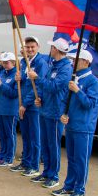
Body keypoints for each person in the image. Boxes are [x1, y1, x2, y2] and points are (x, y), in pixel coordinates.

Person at [52, 49, 98, 196]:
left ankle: (80, 190)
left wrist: (78, 91)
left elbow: (90, 104)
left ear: (86, 62)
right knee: (72, 158)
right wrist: (62, 114)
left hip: (84, 127)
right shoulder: (74, 79)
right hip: (72, 125)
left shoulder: (94, 82)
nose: (73, 63)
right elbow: (64, 100)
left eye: (76, 60)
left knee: (81, 160)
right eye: (72, 60)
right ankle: (69, 186)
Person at [31, 38, 72, 188]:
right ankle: (46, 172)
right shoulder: (52, 65)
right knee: (45, 143)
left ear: (57, 49)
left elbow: (55, 87)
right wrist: (39, 97)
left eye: (52, 47)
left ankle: (54, 176)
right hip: (45, 109)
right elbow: (46, 87)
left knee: (53, 145)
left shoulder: (66, 68)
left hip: (56, 112)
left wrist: (37, 79)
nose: (50, 49)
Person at [13, 36, 49, 177]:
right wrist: (19, 79)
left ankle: (34, 166)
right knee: (26, 136)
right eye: (27, 47)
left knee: (35, 137)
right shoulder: (23, 61)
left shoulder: (41, 63)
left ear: (38, 47)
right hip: (23, 104)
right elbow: (24, 83)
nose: (29, 49)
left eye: (32, 47)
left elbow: (39, 87)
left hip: (32, 106)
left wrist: (25, 104)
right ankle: (25, 162)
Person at [0, 52, 19, 167]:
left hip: (10, 110)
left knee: (9, 133)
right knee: (2, 134)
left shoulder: (16, 75)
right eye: (3, 62)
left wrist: (1, 84)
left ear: (13, 62)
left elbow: (14, 93)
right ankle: (2, 155)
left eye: (7, 62)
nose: (5, 64)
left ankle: (9, 157)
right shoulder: (1, 73)